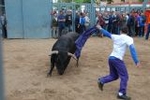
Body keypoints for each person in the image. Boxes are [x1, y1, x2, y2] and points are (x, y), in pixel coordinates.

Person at [96, 24, 140, 100]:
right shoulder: (129, 39)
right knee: (124, 76)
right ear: (127, 31)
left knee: (114, 76)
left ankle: (102, 80)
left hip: (111, 58)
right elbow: (132, 49)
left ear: (120, 31)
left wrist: (100, 28)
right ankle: (121, 93)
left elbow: (107, 34)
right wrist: (136, 61)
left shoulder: (116, 36)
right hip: (118, 59)